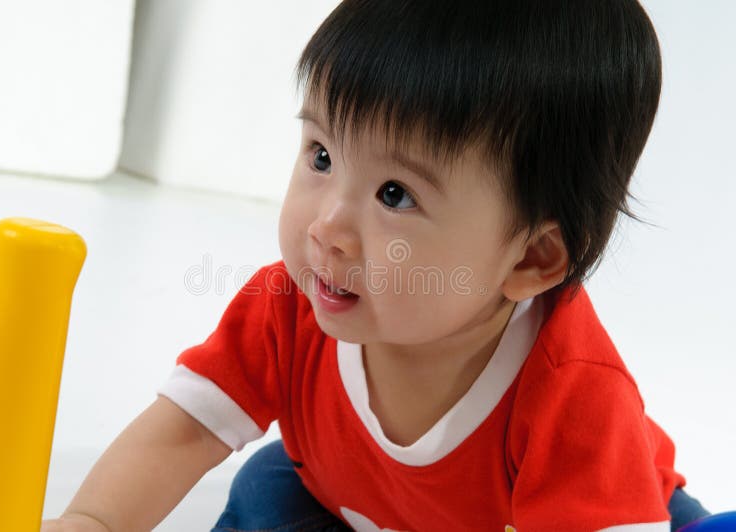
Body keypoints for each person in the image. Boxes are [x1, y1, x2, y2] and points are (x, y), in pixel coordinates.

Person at [42, 1, 711, 530]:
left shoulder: (576, 398)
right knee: (265, 487)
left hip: (605, 512)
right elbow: (185, 428)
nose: (327, 226)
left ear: (532, 258)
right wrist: (94, 520)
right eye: (321, 155)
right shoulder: (290, 302)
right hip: (358, 498)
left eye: (396, 194)